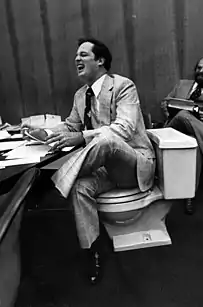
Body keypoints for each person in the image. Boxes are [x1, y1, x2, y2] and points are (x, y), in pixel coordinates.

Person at [22, 38, 156, 284]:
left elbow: (124, 128)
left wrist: (82, 136)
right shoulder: (81, 95)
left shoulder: (123, 86)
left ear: (101, 60)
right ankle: (92, 250)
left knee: (106, 139)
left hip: (133, 164)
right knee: (81, 187)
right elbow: (70, 127)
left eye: (83, 55)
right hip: (104, 168)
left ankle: (48, 183)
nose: (76, 59)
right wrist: (45, 134)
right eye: (76, 55)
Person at [161, 56, 203, 214]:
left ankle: (189, 195)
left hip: (198, 131)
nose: (201, 71)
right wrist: (169, 109)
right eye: (199, 68)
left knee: (194, 143)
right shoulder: (182, 84)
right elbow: (165, 101)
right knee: (182, 114)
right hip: (174, 128)